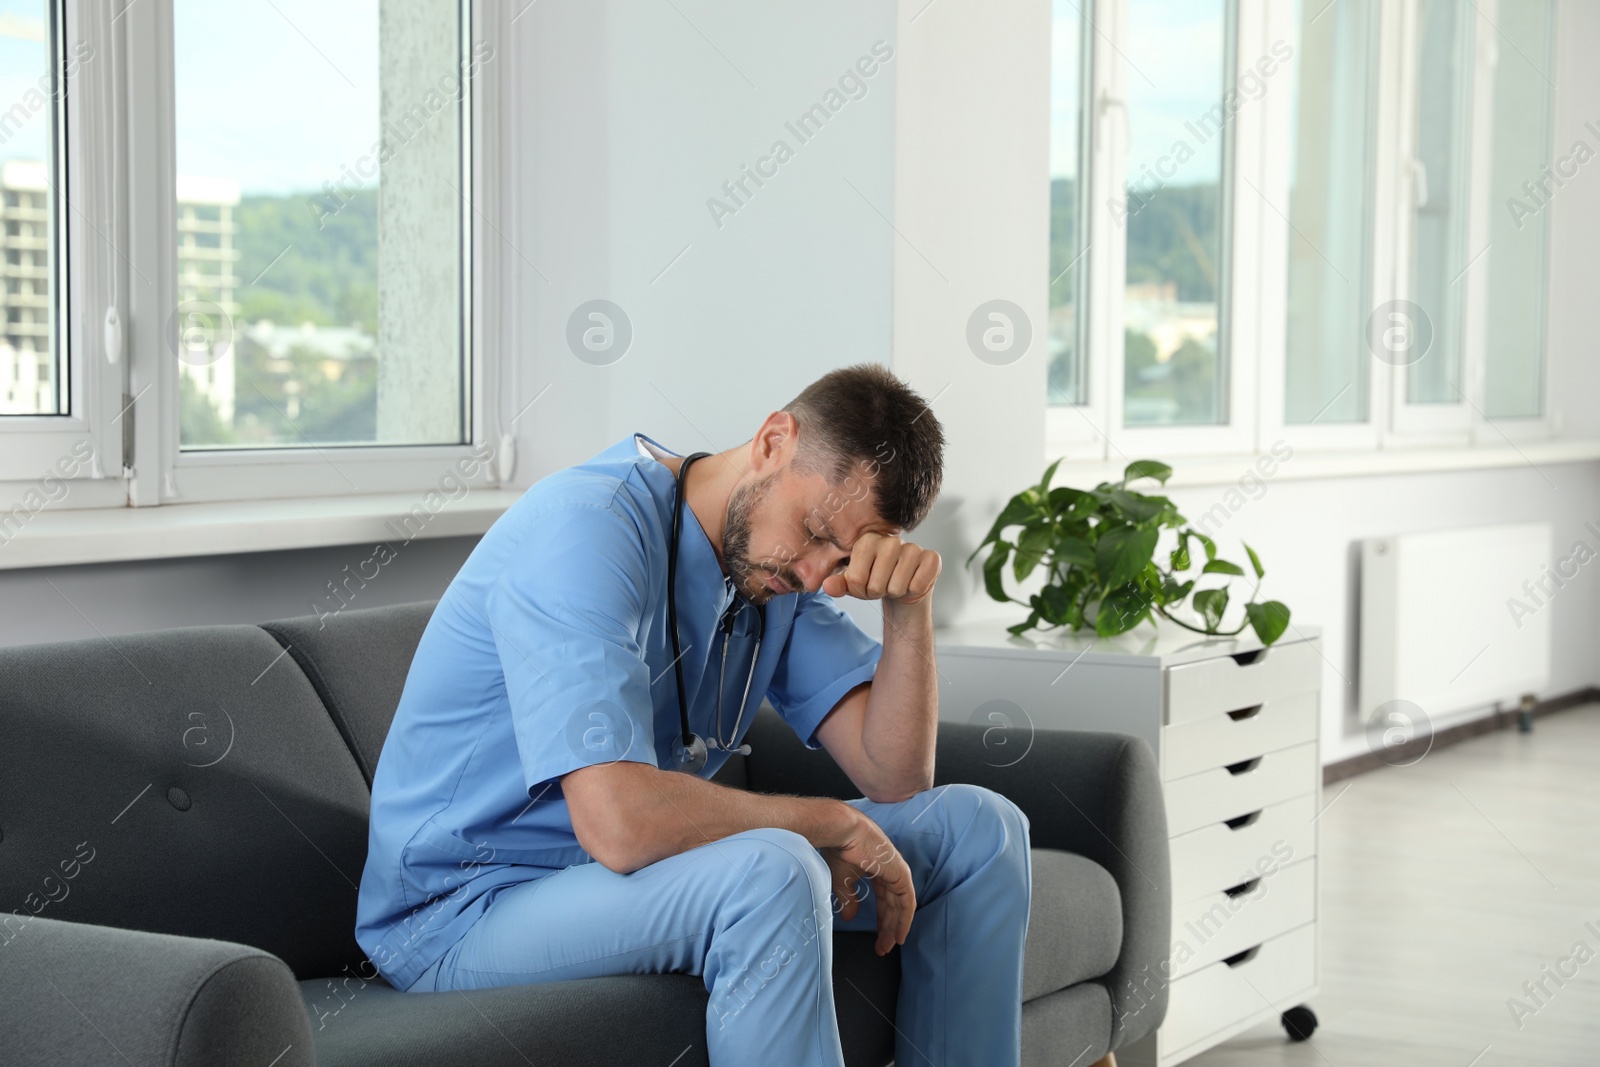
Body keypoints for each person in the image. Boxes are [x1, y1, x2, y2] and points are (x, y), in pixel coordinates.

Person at [354, 363, 1033, 1066]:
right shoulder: (588, 530)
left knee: (981, 831)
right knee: (774, 871)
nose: (813, 574)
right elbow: (620, 823)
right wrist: (826, 821)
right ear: (774, 439)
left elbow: (896, 776)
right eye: (813, 531)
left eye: (844, 554)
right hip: (466, 908)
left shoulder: (778, 572)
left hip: (621, 880)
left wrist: (907, 612)